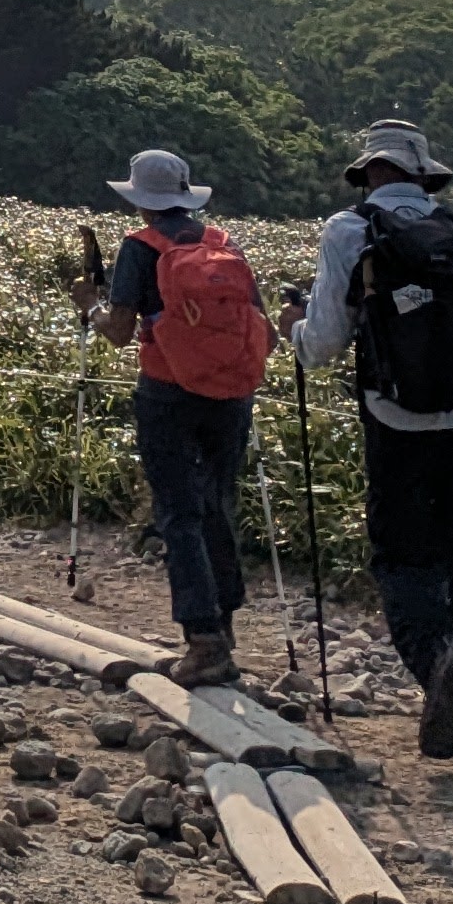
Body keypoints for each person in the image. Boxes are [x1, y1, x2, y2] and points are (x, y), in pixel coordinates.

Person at [291, 113, 453, 758]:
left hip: (395, 423)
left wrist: (294, 330)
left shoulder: (349, 232)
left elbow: (320, 345)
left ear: (368, 173)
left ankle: (436, 669)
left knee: (403, 558)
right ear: (425, 177)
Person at [71, 146, 280, 689]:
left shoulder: (140, 249)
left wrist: (88, 306)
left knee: (179, 512)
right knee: (218, 504)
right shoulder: (222, 244)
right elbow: (264, 331)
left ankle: (203, 641)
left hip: (167, 392)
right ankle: (223, 629)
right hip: (231, 394)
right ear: (186, 197)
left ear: (141, 201)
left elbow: (118, 332)